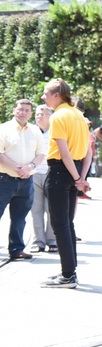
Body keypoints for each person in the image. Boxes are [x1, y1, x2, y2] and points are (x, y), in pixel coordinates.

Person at [41, 78, 93, 288]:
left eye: (46, 93)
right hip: (75, 169)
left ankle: (68, 275)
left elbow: (63, 153)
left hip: (61, 172)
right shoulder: (78, 115)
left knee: (60, 224)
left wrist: (78, 178)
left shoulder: (59, 116)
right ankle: (69, 270)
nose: (43, 97)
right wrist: (81, 177)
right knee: (67, 224)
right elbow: (88, 151)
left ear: (57, 95)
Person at [1, 99, 47, 261]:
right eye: (20, 109)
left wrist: (29, 167)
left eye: (27, 110)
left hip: (26, 181)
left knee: (20, 218)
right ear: (14, 110)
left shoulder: (35, 131)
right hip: (4, 180)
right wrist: (17, 168)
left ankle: (16, 249)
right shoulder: (3, 129)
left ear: (31, 113)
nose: (23, 112)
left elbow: (41, 153)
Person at [28, 105, 56, 253]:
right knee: (35, 210)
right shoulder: (31, 131)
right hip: (33, 174)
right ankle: (38, 241)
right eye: (38, 114)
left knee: (51, 209)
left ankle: (52, 240)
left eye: (43, 114)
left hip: (50, 173)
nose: (39, 116)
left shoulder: (55, 131)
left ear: (50, 116)